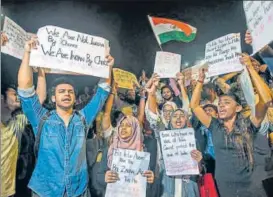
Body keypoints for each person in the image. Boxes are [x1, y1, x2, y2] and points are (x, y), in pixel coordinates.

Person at [17, 36, 113, 197]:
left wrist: (107, 67)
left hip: (78, 190)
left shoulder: (83, 118)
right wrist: (27, 52)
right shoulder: (41, 118)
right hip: (45, 191)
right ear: (53, 98)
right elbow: (25, 90)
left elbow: (102, 91)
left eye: (70, 92)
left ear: (75, 98)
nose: (66, 94)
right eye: (61, 91)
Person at [190, 54, 272, 197]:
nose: (221, 106)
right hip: (225, 187)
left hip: (251, 187)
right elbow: (194, 106)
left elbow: (265, 100)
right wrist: (200, 81)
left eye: (226, 103)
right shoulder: (214, 126)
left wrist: (250, 68)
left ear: (238, 108)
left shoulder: (248, 125)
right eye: (219, 104)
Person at [145, 73, 202, 197]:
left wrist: (199, 161)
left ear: (186, 120)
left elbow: (199, 169)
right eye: (174, 116)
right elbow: (154, 117)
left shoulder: (192, 140)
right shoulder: (164, 135)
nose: (178, 118)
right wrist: (151, 93)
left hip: (188, 188)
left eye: (182, 116)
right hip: (167, 186)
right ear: (170, 120)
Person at [95, 115, 156, 196]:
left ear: (135, 129)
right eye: (121, 125)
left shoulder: (142, 152)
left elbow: (145, 184)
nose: (123, 128)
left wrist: (150, 179)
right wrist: (104, 178)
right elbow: (98, 177)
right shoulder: (110, 150)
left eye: (128, 125)